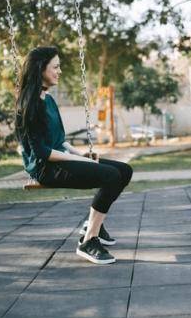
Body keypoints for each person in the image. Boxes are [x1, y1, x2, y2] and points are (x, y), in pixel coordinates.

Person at [15, 46, 133, 265]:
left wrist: (80, 153)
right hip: (44, 167)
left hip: (58, 158)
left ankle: (92, 224)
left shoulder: (48, 99)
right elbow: (42, 152)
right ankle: (89, 241)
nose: (59, 71)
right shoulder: (30, 105)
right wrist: (79, 160)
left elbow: (59, 140)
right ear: (41, 69)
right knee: (110, 176)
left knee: (124, 171)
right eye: (55, 67)